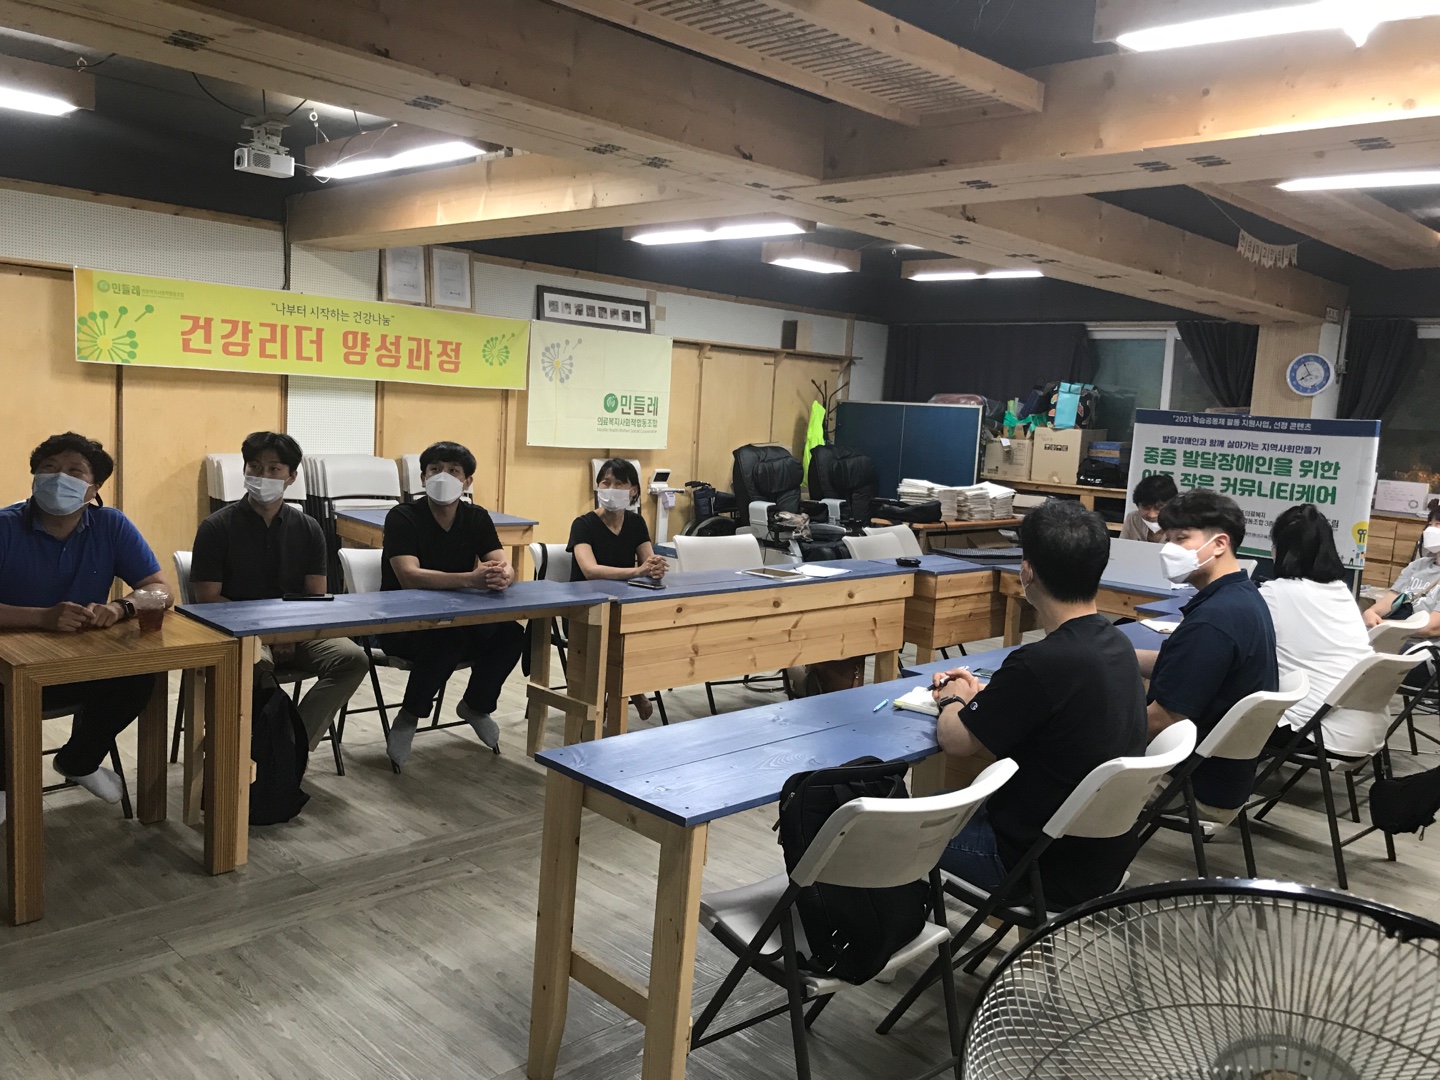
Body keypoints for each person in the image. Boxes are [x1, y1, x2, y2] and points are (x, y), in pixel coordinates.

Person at [928, 500, 1148, 910]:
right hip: (1099, 862)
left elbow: (956, 741)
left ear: (1026, 571)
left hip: (1033, 867)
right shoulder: (1117, 643)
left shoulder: (1041, 662)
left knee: (894, 831)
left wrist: (953, 696)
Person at [0, 432, 171, 822]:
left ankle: (79, 760)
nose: (59, 478)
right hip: (9, 668)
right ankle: (2, 785)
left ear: (94, 489)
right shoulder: (5, 527)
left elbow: (161, 590)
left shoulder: (111, 525)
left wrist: (122, 606)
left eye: (75, 471)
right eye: (49, 468)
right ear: (34, 478)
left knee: (138, 676)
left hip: (77, 664)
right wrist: (41, 617)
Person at [191, 431, 368, 751]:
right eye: (255, 467)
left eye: (274, 469)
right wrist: (270, 635)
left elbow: (315, 597)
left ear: (291, 477)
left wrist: (291, 633)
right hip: (240, 634)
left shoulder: (308, 528)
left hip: (297, 631)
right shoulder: (216, 527)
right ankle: (244, 748)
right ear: (244, 470)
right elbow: (208, 599)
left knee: (352, 659)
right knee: (255, 664)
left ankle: (291, 746)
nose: (263, 476)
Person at [377, 440, 524, 764]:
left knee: (512, 634)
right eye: (435, 470)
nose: (443, 476)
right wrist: (471, 579)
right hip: (404, 623)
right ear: (423, 477)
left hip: (461, 618)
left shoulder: (476, 517)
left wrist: (505, 574)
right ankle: (409, 716)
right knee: (447, 640)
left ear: (467, 481)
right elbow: (409, 576)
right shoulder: (403, 516)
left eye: (453, 471)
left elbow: (502, 562)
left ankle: (476, 706)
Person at [1136, 490, 1278, 817]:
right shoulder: (1241, 597)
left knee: (1057, 756)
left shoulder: (1213, 622)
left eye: (1181, 538)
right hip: (1222, 777)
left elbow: (1160, 720)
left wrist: (1093, 732)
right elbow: (1183, 667)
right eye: (1167, 539)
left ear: (1219, 544)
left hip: (1188, 784)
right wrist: (1120, 655)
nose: (1169, 549)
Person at [1259, 504, 1382, 756]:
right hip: (1366, 733)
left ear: (1281, 549)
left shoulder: (1276, 593)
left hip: (1314, 732)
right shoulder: (1341, 592)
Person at [567, 458, 667, 720]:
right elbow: (590, 570)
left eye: (619, 484)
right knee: (614, 635)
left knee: (647, 628)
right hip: (586, 607)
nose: (610, 488)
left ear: (633, 491)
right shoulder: (583, 524)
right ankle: (630, 692)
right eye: (605, 482)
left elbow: (648, 561)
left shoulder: (636, 523)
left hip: (623, 604)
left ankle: (625, 691)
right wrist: (637, 571)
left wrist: (656, 567)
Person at [1362, 515, 1440, 638]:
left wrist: (1385, 625)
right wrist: (1371, 612)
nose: (1432, 530)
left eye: (1439, 525)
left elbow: (1433, 627)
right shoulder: (1417, 565)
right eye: (1431, 524)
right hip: (1393, 635)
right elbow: (1391, 600)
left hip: (1422, 644)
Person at [1119, 474, 1178, 543]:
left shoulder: (1183, 524)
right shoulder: (1133, 519)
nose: (1152, 515)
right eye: (1146, 508)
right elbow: (1122, 545)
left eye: (1158, 508)